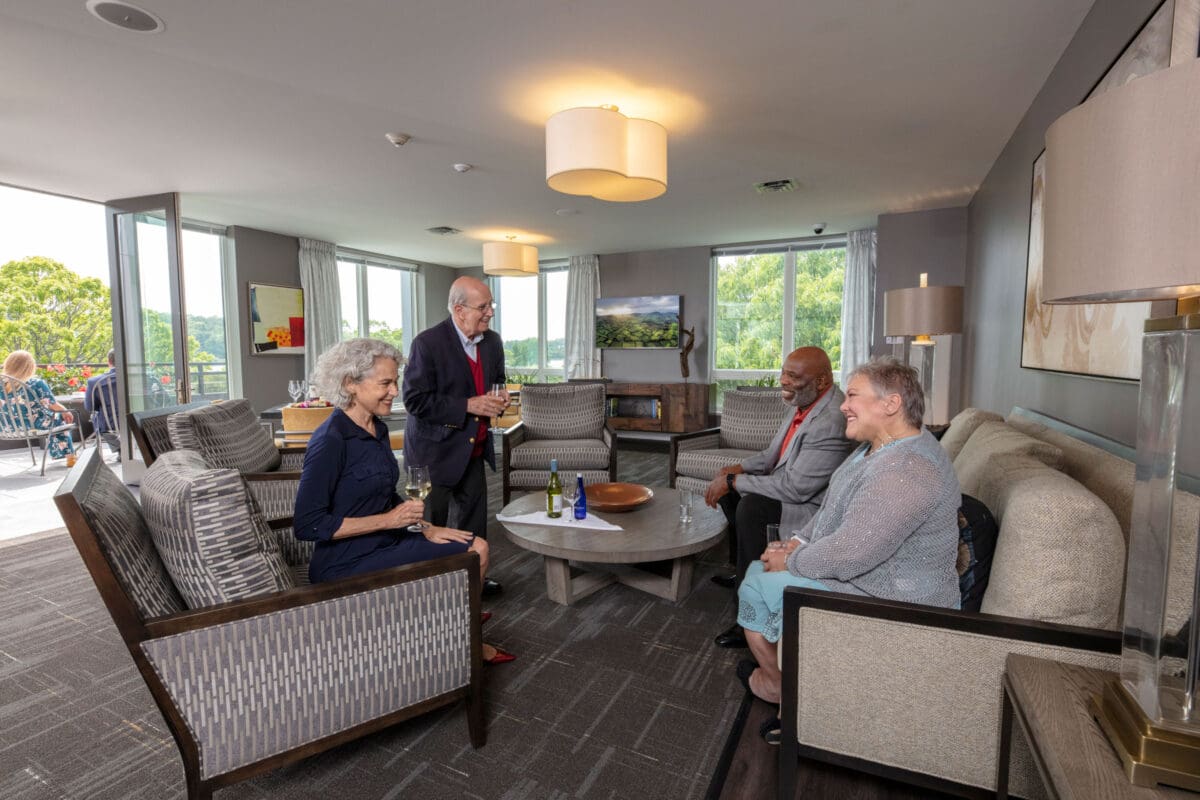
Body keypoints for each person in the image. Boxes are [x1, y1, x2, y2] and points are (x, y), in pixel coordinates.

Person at [735, 356, 960, 712]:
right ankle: (787, 680)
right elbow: (830, 507)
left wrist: (791, 560)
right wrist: (797, 542)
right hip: (872, 576)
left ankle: (780, 688)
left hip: (895, 598)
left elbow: (853, 553)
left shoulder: (907, 470)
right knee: (758, 568)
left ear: (891, 404)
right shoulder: (877, 450)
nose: (843, 405)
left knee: (756, 584)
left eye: (853, 395)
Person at [294, 338, 513, 665]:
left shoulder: (377, 429)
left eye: (395, 381)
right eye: (385, 383)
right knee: (475, 550)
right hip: (346, 561)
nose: (395, 391)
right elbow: (308, 524)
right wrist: (390, 521)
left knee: (472, 544)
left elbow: (386, 496)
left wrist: (426, 527)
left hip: (386, 539)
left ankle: (455, 622)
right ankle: (464, 637)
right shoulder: (330, 441)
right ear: (350, 385)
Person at [706, 347, 854, 649]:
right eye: (783, 372)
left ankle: (746, 615)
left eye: (792, 376)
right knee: (731, 494)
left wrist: (736, 481)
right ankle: (741, 571)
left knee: (751, 506)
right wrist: (735, 470)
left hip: (808, 506)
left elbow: (796, 489)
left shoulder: (830, 420)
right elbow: (774, 455)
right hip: (790, 488)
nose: (783, 380)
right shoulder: (803, 403)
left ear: (822, 381)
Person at [402, 275, 509, 597]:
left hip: (473, 446)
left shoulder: (493, 341)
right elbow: (415, 401)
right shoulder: (428, 343)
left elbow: (499, 381)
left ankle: (470, 576)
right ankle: (428, 586)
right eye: (483, 306)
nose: (490, 312)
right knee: (430, 523)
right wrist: (468, 405)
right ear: (459, 310)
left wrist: (498, 400)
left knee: (473, 519)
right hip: (433, 453)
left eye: (491, 305)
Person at [1, 350, 77, 462]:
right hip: (35, 425)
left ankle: (62, 454)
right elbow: (52, 404)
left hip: (8, 428)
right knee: (59, 417)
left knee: (54, 418)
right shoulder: (35, 383)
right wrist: (65, 411)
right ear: (29, 367)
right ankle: (69, 456)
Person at [85, 349, 120, 458]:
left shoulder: (94, 382)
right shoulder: (141, 377)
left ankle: (120, 449)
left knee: (99, 416)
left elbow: (90, 407)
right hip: (137, 423)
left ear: (109, 362)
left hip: (111, 426)